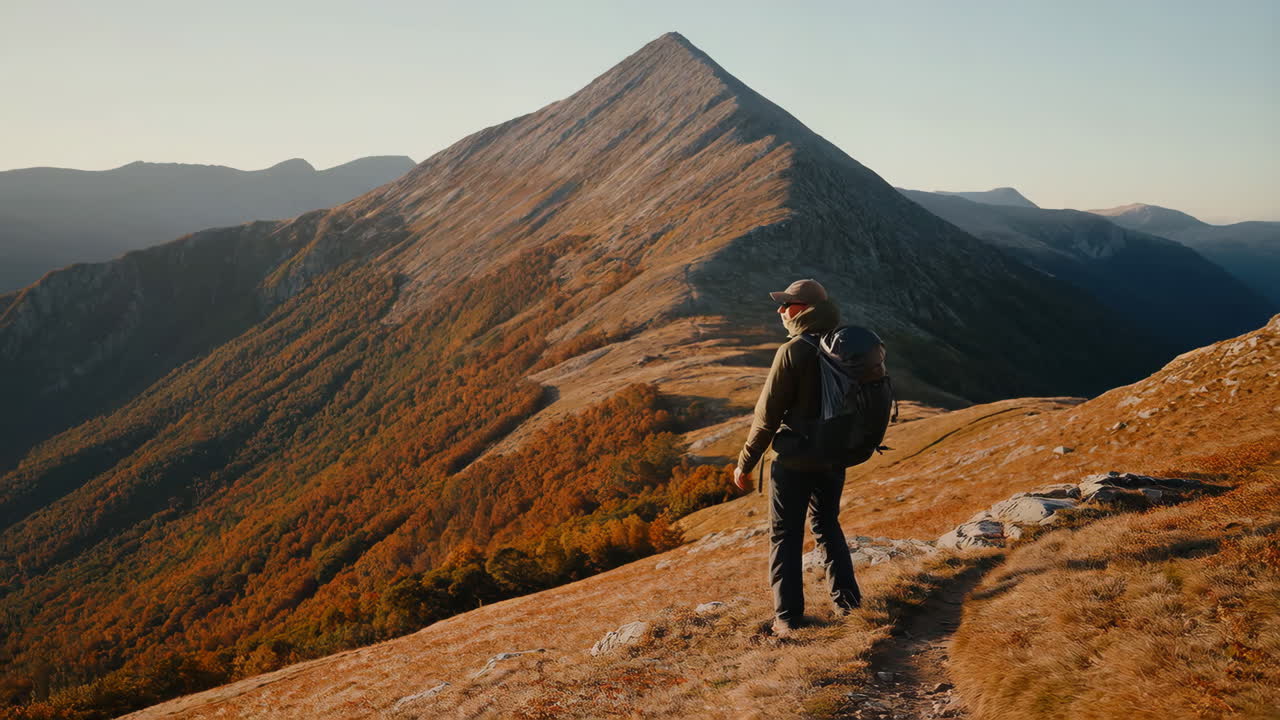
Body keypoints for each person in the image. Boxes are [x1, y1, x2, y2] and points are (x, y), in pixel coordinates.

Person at [732, 278, 861, 638]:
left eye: (787, 304)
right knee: (827, 525)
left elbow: (767, 415)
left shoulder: (793, 351)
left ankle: (788, 619)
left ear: (803, 309)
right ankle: (849, 605)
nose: (780, 310)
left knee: (785, 535)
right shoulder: (842, 346)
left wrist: (745, 462)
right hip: (833, 457)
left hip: (794, 460)